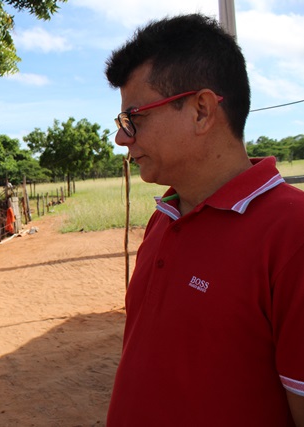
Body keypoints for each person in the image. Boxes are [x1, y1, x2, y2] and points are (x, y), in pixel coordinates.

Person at [104, 14, 304, 426]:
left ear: (201, 110)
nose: (122, 138)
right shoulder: (163, 219)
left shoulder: (292, 235)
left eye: (134, 118)